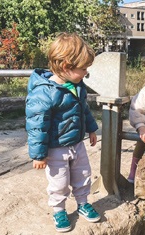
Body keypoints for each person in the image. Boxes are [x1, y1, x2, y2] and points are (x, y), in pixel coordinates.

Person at [25, 32, 101, 233]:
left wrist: (92, 128)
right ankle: (59, 210)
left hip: (76, 143)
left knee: (83, 174)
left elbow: (83, 109)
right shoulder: (44, 92)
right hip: (55, 148)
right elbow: (37, 125)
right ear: (67, 67)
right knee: (59, 181)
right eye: (83, 68)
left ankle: (83, 203)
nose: (86, 72)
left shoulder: (76, 85)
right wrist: (39, 155)